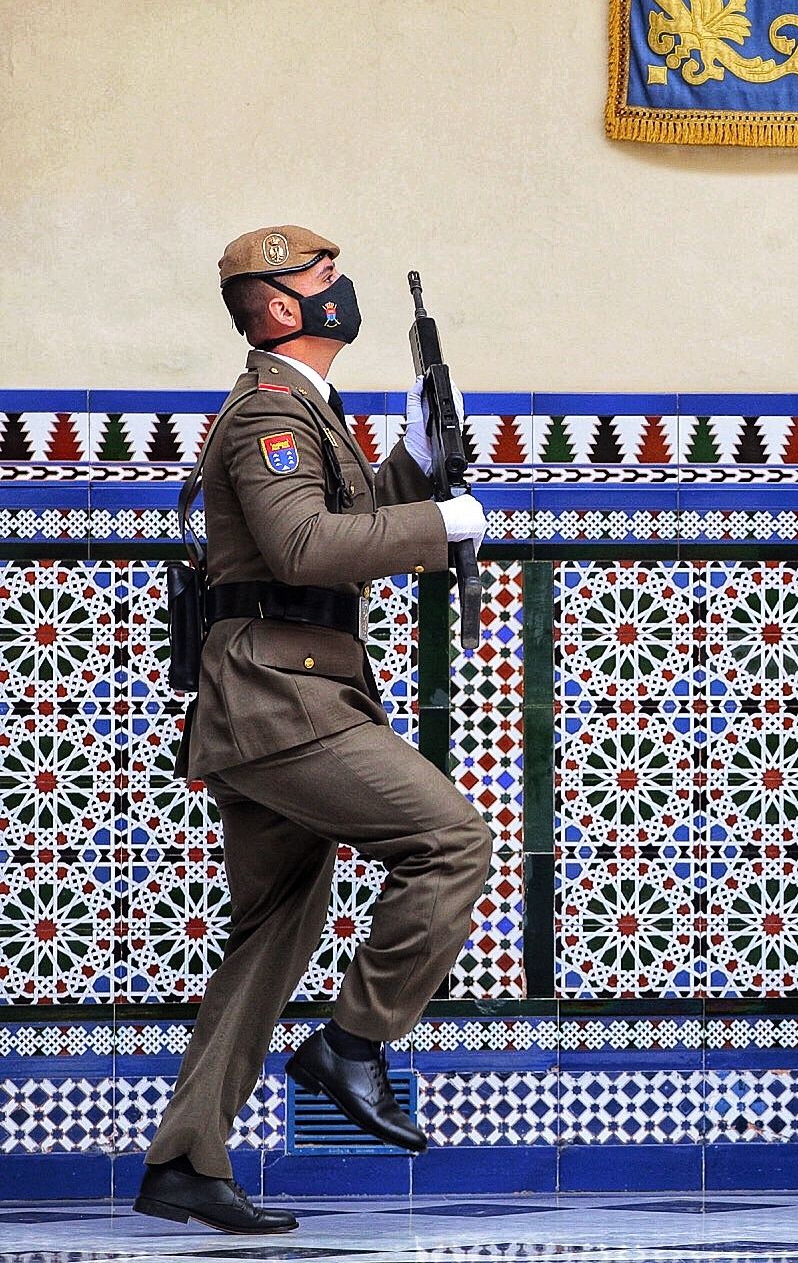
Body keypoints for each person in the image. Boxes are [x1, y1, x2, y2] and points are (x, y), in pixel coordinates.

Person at [134, 226, 494, 1235]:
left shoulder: (305, 410)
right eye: (322, 277)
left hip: (288, 691)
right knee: (452, 839)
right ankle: (354, 1042)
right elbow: (302, 544)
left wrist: (416, 468)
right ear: (283, 307)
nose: (342, 286)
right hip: (280, 699)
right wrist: (444, 526)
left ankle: (186, 1159)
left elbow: (343, 517)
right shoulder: (267, 416)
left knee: (270, 935)